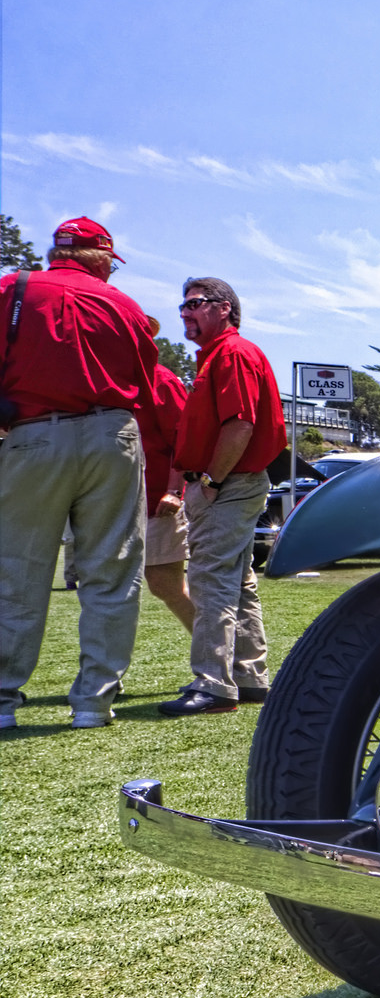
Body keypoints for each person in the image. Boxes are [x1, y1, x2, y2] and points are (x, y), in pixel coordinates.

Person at [0, 217, 176, 731]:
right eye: (110, 262)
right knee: (113, 572)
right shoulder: (123, 305)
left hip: (31, 435)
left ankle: (4, 701)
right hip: (111, 435)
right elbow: (147, 382)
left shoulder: (14, 287)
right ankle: (93, 703)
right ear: (99, 255)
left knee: (17, 569)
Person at [159, 278, 285, 717]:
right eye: (183, 305)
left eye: (195, 303)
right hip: (229, 484)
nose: (185, 313)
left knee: (212, 580)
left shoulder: (231, 353)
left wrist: (210, 480)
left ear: (224, 308)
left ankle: (213, 685)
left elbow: (240, 425)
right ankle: (248, 677)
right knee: (239, 582)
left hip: (227, 485)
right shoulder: (217, 357)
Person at [141, 355, 195, 631]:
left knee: (165, 584)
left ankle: (221, 659)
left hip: (156, 502)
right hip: (115, 500)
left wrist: (174, 490)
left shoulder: (160, 379)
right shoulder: (107, 375)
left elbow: (183, 438)